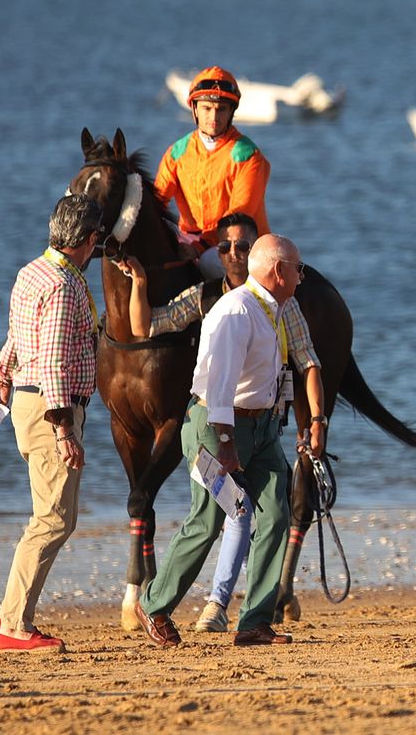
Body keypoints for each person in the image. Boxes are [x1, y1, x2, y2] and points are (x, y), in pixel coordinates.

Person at [112, 213, 326, 634]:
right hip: (215, 427)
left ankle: (255, 620)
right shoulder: (235, 312)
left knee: (276, 513)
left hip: (262, 428)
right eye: (299, 268)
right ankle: (153, 604)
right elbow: (220, 386)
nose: (303, 275)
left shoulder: (286, 307)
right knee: (209, 519)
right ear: (279, 271)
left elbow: (308, 361)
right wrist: (225, 444)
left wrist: (316, 419)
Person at [0, 195, 102, 653]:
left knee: (57, 517)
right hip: (51, 408)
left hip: (29, 402)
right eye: (95, 241)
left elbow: (18, 335)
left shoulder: (32, 271)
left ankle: (12, 616)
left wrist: (1, 376)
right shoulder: (64, 284)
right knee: (52, 519)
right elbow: (52, 361)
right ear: (88, 240)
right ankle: (14, 625)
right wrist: (64, 430)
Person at [154, 66, 271, 280]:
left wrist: (200, 246)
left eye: (221, 109)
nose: (214, 117)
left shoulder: (248, 155)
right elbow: (156, 202)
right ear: (195, 110)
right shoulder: (176, 153)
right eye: (207, 108)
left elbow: (237, 217)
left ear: (231, 112)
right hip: (190, 241)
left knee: (210, 263)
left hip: (240, 244)